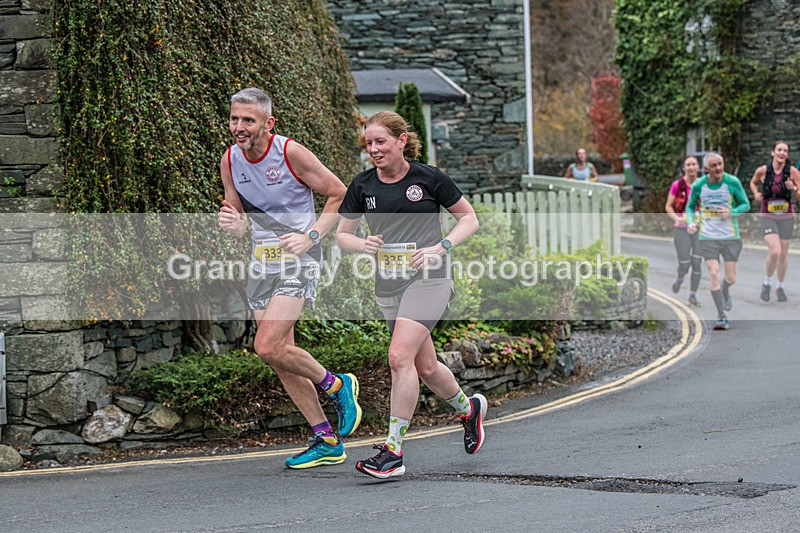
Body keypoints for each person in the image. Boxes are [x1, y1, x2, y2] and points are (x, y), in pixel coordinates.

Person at [218, 87, 362, 469]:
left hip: (299, 257)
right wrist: (232, 223)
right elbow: (237, 216)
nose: (239, 127)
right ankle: (325, 438)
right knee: (280, 357)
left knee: (266, 345)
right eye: (234, 118)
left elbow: (338, 194)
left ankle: (336, 384)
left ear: (269, 123)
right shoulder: (230, 159)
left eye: (248, 120)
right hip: (261, 262)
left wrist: (311, 235)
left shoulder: (289, 152)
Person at [336, 111, 483, 479]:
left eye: (380, 142)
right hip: (389, 285)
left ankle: (393, 451)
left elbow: (469, 218)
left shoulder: (428, 178)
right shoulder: (363, 185)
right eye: (368, 143)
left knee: (399, 356)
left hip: (430, 279)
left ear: (402, 141)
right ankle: (468, 410)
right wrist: (361, 243)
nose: (373, 150)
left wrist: (442, 246)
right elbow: (342, 235)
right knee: (425, 366)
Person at [686, 151, 750, 330]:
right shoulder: (699, 185)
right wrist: (691, 222)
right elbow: (690, 206)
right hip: (708, 236)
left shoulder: (732, 182)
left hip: (730, 236)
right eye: (714, 166)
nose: (718, 168)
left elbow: (745, 204)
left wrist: (731, 212)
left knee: (731, 277)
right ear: (706, 169)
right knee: (713, 273)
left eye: (720, 164)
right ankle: (721, 316)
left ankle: (725, 290)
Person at [749, 141, 800, 302]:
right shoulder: (763, 171)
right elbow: (753, 182)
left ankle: (780, 287)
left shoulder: (792, 172)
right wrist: (756, 194)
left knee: (784, 254)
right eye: (779, 150)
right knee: (775, 251)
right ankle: (767, 283)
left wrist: (794, 189)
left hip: (786, 216)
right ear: (773, 152)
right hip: (768, 215)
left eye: (785, 150)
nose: (782, 153)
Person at [665, 155, 703, 306]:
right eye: (688, 164)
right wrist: (677, 218)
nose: (692, 167)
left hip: (700, 229)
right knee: (685, 263)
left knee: (697, 262)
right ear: (684, 168)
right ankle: (680, 277)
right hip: (681, 229)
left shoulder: (703, 185)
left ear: (698, 167)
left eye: (694, 164)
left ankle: (692, 295)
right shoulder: (677, 185)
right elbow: (668, 206)